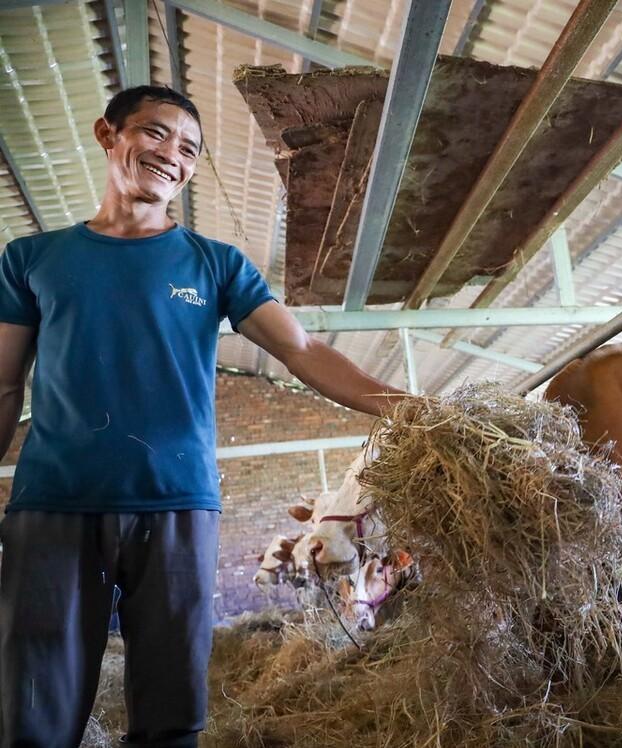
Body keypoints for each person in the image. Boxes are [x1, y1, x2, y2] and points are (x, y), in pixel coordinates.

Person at [0, 86, 410, 747]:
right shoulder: (32, 259)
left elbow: (301, 349)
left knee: (172, 707)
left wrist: (414, 410)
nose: (173, 155)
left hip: (179, 505)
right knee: (34, 710)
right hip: (54, 504)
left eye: (189, 148)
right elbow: (3, 383)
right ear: (108, 134)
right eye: (155, 133)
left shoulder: (215, 264)